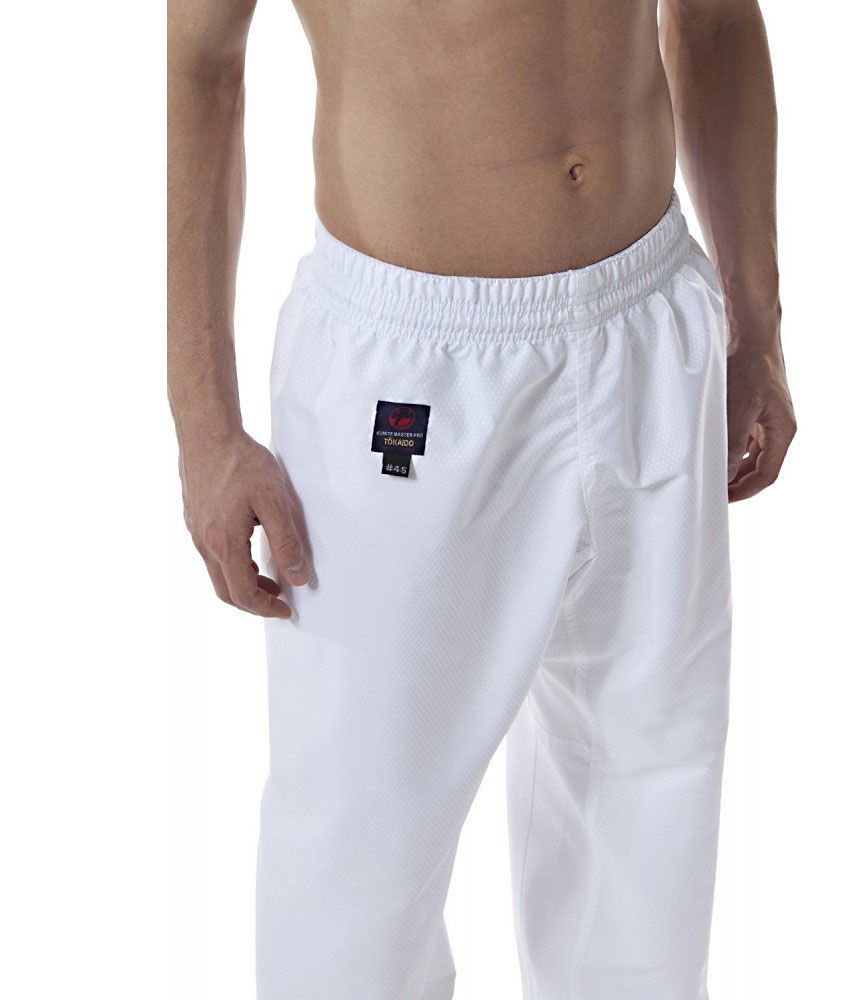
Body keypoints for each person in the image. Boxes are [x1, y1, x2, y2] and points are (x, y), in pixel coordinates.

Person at [167, 0, 796, 996]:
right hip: (408, 365)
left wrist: (756, 328)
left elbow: (715, 23)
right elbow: (204, 64)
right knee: (358, 859)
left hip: (648, 322)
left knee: (645, 822)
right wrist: (205, 430)